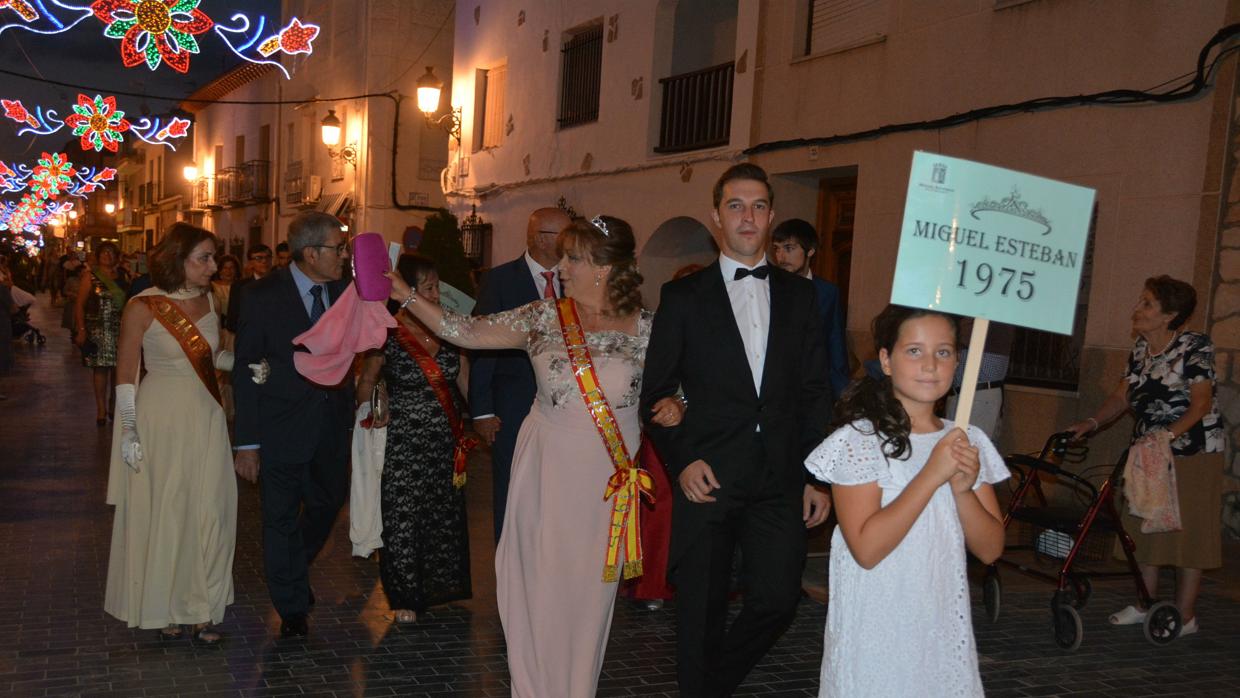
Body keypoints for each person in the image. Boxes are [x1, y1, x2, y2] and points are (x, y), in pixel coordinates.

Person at [385, 215, 684, 697]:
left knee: (589, 597)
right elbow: (464, 330)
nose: (560, 266)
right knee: (539, 588)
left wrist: (677, 404)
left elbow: (685, 385)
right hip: (545, 472)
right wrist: (404, 294)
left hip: (605, 485)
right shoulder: (543, 317)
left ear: (604, 267)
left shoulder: (650, 329)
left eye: (573, 258)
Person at [640, 163, 833, 697]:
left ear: (771, 216)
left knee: (778, 600)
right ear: (716, 217)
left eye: (758, 206)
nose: (747, 217)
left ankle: (710, 686)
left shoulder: (802, 297)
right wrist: (683, 460)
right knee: (699, 610)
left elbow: (816, 391)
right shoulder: (683, 297)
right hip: (708, 474)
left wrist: (817, 475)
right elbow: (655, 394)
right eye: (735, 206)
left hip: (780, 478)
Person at [804, 304, 1008, 696]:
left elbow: (990, 549)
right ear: (886, 359)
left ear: (957, 362)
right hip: (876, 630)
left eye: (943, 352)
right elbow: (866, 549)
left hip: (939, 626)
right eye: (914, 350)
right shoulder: (860, 440)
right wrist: (932, 474)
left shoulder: (966, 440)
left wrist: (962, 490)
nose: (930, 365)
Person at [1065, 275, 1224, 636]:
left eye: (1147, 303)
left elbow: (1201, 404)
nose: (1137, 308)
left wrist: (1166, 436)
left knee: (1188, 532)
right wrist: (1091, 422)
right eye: (1140, 300)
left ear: (1170, 315)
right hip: (1148, 451)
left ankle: (1185, 616)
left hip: (1192, 451)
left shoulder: (1194, 346)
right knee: (1143, 527)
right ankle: (1144, 603)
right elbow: (1122, 397)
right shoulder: (1140, 349)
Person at [103, 223, 237, 645]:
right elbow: (126, 372)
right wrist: (128, 428)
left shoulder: (211, 299)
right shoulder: (143, 305)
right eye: (204, 258)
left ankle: (202, 608)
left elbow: (212, 356)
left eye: (213, 257)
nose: (213, 266)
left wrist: (246, 365)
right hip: (160, 418)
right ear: (178, 259)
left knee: (211, 510)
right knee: (170, 510)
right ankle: (166, 608)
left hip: (207, 415)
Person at [232, 212, 354, 638]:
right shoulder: (262, 295)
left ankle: (291, 569)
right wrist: (247, 443)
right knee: (279, 518)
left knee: (328, 503)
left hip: (332, 423)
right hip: (280, 426)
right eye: (338, 248)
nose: (344, 255)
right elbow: (246, 366)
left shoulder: (347, 290)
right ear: (311, 253)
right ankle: (291, 606)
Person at [356, 255, 472, 625]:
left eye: (437, 287)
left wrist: (484, 417)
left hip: (444, 440)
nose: (437, 295)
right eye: (429, 288)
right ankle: (404, 594)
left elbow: (465, 382)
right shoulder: (387, 330)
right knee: (402, 516)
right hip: (401, 441)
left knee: (440, 514)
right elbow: (367, 380)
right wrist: (371, 409)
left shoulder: (450, 329)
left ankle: (438, 589)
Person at [469, 206, 572, 541]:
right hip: (514, 407)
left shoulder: (574, 279)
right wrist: (482, 410)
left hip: (565, 409)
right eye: (564, 234)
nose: (571, 241)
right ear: (539, 238)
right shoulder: (500, 280)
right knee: (513, 487)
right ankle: (508, 556)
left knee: (555, 490)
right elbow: (483, 342)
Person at [771, 218, 850, 402]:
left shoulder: (828, 292)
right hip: (775, 392)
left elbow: (835, 346)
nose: (781, 257)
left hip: (815, 393)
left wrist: (842, 399)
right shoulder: (767, 288)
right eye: (777, 248)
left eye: (789, 248)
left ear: (810, 250)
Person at [75, 242, 131, 425]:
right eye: (104, 252)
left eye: (111, 252)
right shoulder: (90, 277)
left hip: (120, 329)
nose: (107, 255)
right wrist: (81, 330)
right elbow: (79, 305)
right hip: (97, 329)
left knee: (117, 370)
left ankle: (113, 403)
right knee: (100, 369)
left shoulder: (123, 276)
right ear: (98, 256)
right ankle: (100, 408)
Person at [225, 243, 273, 335]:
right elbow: (232, 322)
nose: (264, 261)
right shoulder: (240, 287)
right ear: (250, 263)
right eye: (259, 258)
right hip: (249, 337)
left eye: (268, 257)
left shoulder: (280, 284)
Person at [211, 254, 240, 327]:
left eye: (232, 267)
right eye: (225, 268)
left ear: (236, 270)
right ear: (220, 270)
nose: (228, 271)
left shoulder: (242, 287)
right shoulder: (211, 286)